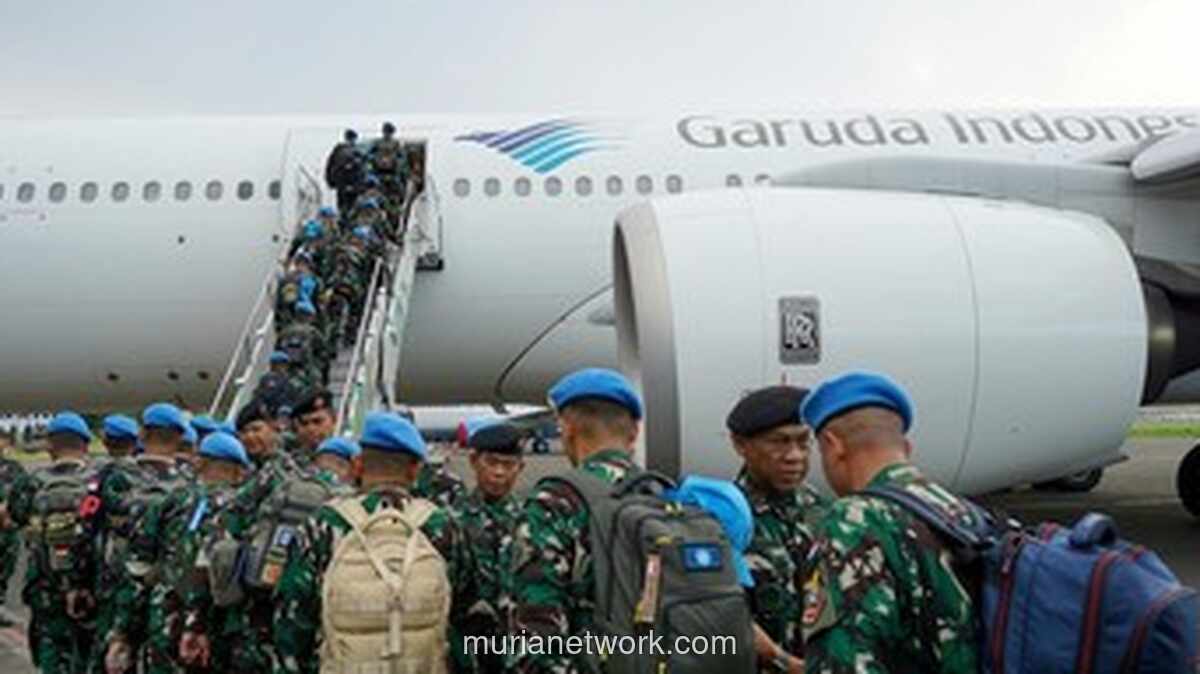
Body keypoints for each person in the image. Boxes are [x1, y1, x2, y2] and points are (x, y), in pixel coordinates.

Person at [799, 371, 981, 674]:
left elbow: (845, 661)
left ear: (833, 446)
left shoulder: (854, 520)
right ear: (906, 447)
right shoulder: (961, 512)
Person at [273, 411, 477, 674]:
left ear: (357, 465)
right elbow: (463, 613)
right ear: (415, 470)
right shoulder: (442, 526)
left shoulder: (323, 525)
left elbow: (292, 621)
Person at [508, 367, 643, 674]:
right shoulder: (663, 494)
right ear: (634, 432)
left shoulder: (555, 502)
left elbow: (536, 634)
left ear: (566, 429)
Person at [102, 432, 251, 674]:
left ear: (199, 463)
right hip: (219, 635)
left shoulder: (171, 502)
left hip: (165, 625)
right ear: (240, 471)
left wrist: (122, 633)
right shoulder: (244, 511)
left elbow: (138, 570)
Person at [727, 385, 828, 673]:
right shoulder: (724, 518)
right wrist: (785, 663)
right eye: (779, 442)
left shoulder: (820, 510)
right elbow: (720, 617)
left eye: (803, 442)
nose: (794, 456)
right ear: (740, 445)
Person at [7, 411, 101, 673]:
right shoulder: (98, 482)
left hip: (45, 589)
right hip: (90, 588)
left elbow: (16, 516)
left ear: (50, 445)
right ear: (85, 445)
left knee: (51, 657)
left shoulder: (31, 483)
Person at [455, 422, 525, 674]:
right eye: (491, 462)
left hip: (517, 649)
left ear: (521, 468)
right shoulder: (453, 520)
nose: (499, 472)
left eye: (508, 465)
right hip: (467, 650)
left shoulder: (529, 520)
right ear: (474, 462)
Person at [0, 435, 27, 628]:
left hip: (8, 528)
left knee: (5, 567)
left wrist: (11, 512)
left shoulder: (14, 468)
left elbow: (24, 492)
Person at [291, 389, 336, 466]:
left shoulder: (352, 458)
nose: (311, 429)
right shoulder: (291, 464)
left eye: (317, 421)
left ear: (334, 420)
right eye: (304, 423)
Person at [326, 129, 365, 213]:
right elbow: (331, 165)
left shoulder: (356, 151)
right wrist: (330, 181)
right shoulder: (341, 150)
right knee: (346, 205)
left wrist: (330, 181)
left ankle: (345, 215)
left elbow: (330, 166)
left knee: (348, 205)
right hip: (344, 183)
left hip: (349, 183)